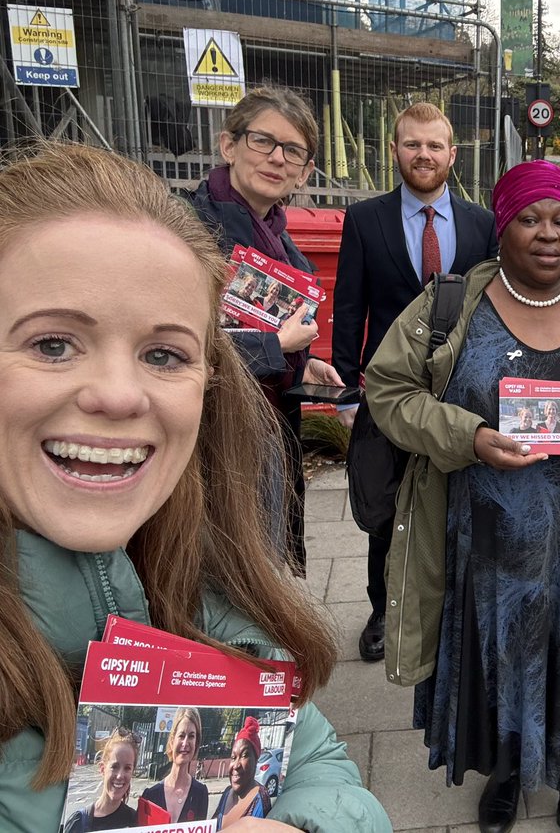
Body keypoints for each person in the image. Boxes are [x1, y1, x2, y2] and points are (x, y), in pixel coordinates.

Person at [0, 142, 390, 833]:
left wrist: (303, 827)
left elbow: (314, 760)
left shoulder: (199, 573)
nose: (120, 395)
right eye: (51, 344)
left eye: (163, 354)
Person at [365, 160, 560, 833]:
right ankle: (504, 775)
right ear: (502, 228)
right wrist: (468, 435)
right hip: (486, 554)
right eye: (529, 219)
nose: (548, 234)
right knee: (497, 663)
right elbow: (387, 390)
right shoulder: (450, 307)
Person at [331, 101, 496, 663]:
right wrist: (347, 393)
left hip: (459, 394)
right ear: (395, 151)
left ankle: (451, 607)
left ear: (452, 154)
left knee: (457, 504)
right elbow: (349, 309)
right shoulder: (365, 220)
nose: (422, 155)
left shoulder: (482, 224)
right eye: (411, 144)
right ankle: (385, 609)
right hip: (388, 394)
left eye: (434, 146)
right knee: (387, 507)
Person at [187, 85, 346, 574]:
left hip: (269, 426)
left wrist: (304, 359)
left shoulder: (276, 233)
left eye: (293, 151)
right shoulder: (190, 229)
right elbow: (179, 345)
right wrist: (276, 346)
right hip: (210, 440)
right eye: (263, 141)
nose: (277, 159)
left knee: (263, 566)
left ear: (303, 170)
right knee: (226, 572)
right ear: (228, 145)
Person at [62, 729, 139, 832]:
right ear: (103, 769)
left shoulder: (136, 824)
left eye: (127, 768)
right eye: (114, 766)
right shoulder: (79, 822)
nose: (120, 775)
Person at [141, 707, 208, 822]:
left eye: (191, 736)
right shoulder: (150, 795)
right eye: (181, 736)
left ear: (196, 743)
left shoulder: (200, 793)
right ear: (172, 741)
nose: (185, 743)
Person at [213, 717, 272, 828]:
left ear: (256, 759)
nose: (236, 765)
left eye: (244, 755)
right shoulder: (227, 793)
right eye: (233, 757)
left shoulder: (261, 799)